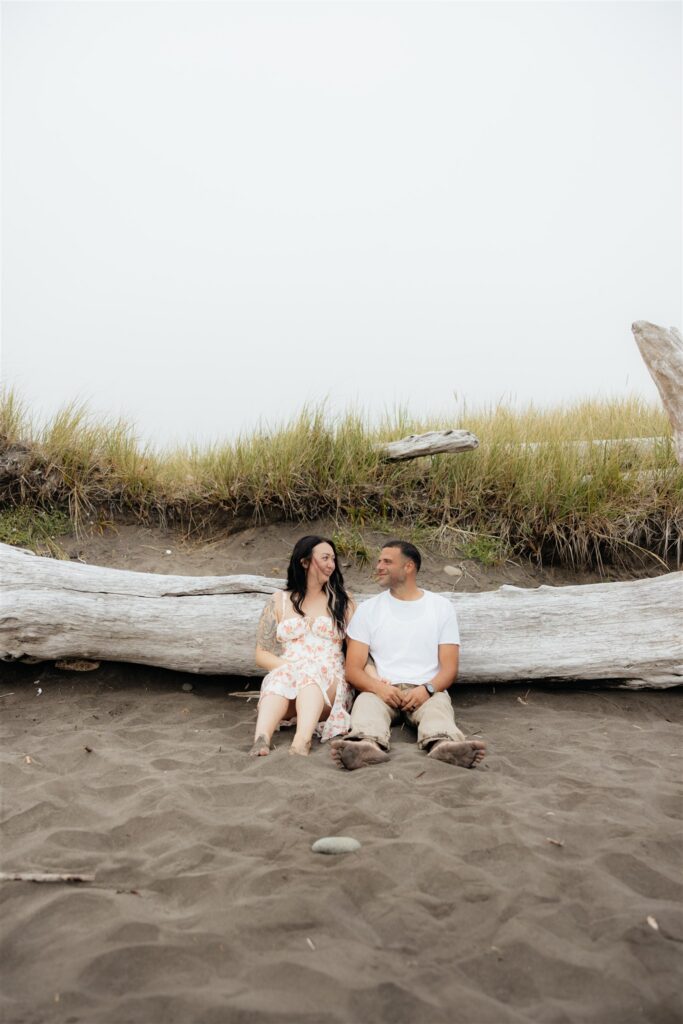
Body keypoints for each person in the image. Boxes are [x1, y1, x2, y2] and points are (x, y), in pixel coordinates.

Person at [331, 540, 486, 771]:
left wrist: (427, 689)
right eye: (379, 560)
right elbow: (353, 669)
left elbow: (449, 668)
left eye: (387, 561)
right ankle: (365, 744)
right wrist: (378, 688)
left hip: (426, 689)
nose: (379, 566)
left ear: (408, 567)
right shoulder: (368, 610)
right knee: (365, 705)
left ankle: (444, 744)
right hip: (382, 689)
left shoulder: (440, 607)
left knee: (438, 709)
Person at [251, 535, 355, 757]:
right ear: (305, 562)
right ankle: (262, 737)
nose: (331, 565)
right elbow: (261, 654)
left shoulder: (343, 602)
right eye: (325, 558)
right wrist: (287, 667)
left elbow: (357, 651)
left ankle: (302, 740)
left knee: (311, 674)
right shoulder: (279, 601)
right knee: (280, 676)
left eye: (333, 559)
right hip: (289, 683)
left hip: (330, 684)